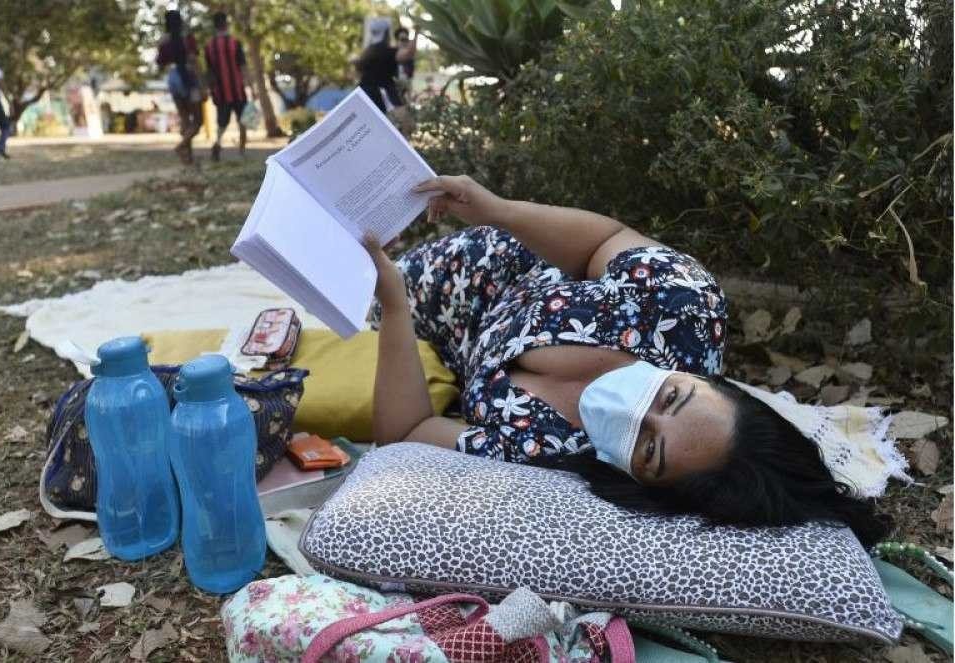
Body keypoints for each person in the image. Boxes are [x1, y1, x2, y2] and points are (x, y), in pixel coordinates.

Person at [364, 174, 891, 547]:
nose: (634, 412)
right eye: (671, 397)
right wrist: (496, 208)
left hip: (414, 320)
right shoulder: (681, 307)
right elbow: (603, 241)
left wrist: (393, 306)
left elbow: (405, 430)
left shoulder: (546, 454)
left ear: (646, 485)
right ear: (706, 378)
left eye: (649, 448)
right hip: (488, 252)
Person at [156, 9, 203, 165]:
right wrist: (202, 84)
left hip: (173, 78)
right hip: (188, 77)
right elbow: (194, 60)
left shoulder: (163, 41)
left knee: (185, 120)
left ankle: (187, 158)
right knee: (197, 121)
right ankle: (181, 146)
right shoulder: (187, 38)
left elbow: (159, 64)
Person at [204, 12, 251, 161]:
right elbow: (243, 67)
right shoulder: (235, 43)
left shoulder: (209, 46)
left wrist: (210, 90)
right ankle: (242, 152)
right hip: (237, 90)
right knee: (243, 121)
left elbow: (209, 72)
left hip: (220, 91)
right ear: (226, 23)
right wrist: (252, 87)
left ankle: (217, 144)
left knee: (222, 123)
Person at [356, 19, 417, 114]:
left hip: (364, 93)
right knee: (405, 123)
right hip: (382, 94)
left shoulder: (368, 52)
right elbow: (409, 53)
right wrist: (417, 32)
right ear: (386, 34)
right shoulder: (387, 51)